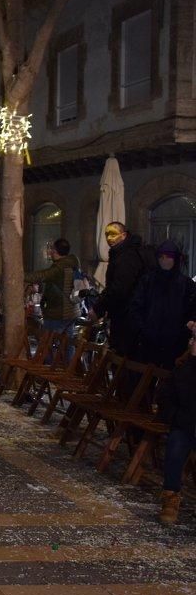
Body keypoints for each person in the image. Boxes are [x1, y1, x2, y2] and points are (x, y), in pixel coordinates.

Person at [127, 241, 196, 369]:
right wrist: (143, 330)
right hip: (149, 342)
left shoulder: (186, 284)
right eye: (161, 257)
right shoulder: (147, 281)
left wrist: (186, 328)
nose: (164, 260)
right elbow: (136, 307)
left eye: (168, 256)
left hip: (176, 344)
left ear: (175, 259)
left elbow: (193, 309)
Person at [92, 222, 155, 355]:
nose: (109, 238)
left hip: (129, 318)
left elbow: (119, 289)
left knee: (124, 357)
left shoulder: (127, 256)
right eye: (106, 235)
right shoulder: (120, 254)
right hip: (128, 315)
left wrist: (99, 308)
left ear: (124, 235)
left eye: (113, 234)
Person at [155, 321, 196, 525]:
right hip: (185, 423)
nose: (192, 343)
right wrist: (176, 417)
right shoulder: (184, 367)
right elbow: (164, 396)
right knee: (175, 447)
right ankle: (170, 498)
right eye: (193, 340)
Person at [25, 238, 80, 349]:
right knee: (67, 345)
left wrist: (21, 275)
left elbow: (43, 275)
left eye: (52, 249)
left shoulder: (60, 267)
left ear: (56, 251)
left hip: (59, 312)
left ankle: (48, 365)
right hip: (72, 311)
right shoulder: (72, 263)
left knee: (47, 345)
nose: (50, 252)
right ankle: (69, 366)